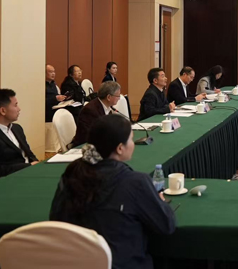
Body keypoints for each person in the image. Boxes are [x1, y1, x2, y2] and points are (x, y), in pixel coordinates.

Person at [50, 115, 176, 269]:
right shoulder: (135, 182)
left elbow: (56, 220)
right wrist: (161, 202)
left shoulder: (73, 171)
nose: (133, 144)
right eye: (131, 139)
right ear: (120, 148)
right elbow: (166, 225)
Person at [71, 81, 121, 148]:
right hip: (85, 148)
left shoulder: (107, 107)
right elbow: (90, 137)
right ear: (109, 97)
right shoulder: (90, 111)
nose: (119, 98)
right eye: (118, 96)